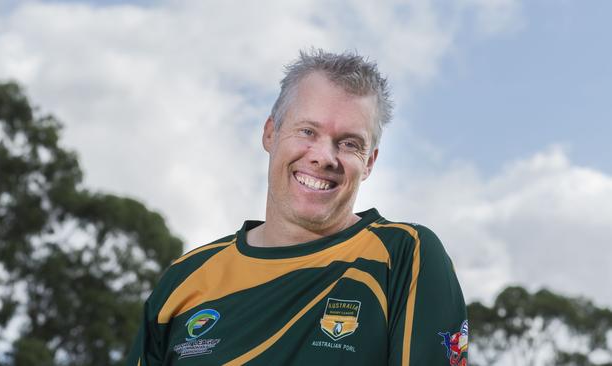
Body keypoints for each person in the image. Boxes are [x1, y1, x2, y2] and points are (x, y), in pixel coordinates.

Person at [127, 49, 468, 366]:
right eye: (308, 131)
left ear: (369, 163)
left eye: (349, 143)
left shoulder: (404, 256)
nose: (324, 156)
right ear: (270, 133)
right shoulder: (184, 281)